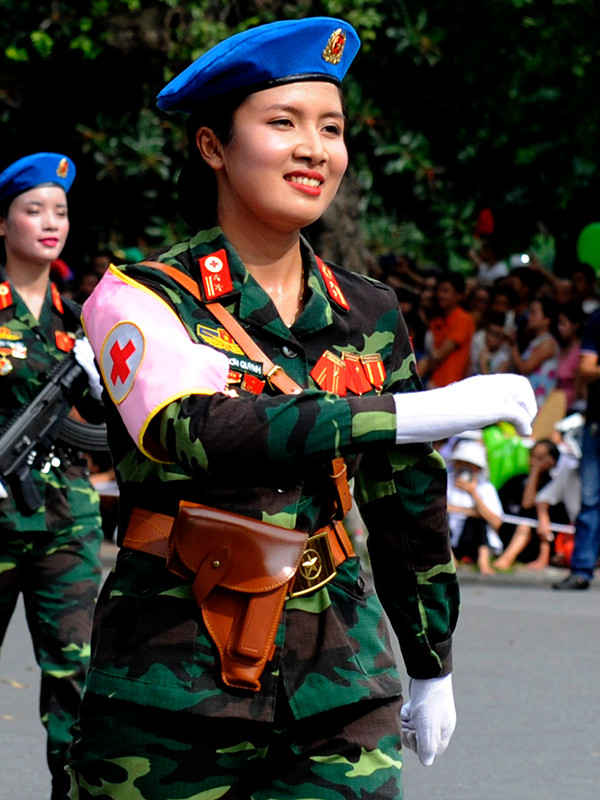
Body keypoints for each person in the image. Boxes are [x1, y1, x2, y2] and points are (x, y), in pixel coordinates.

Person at [67, 18, 536, 799]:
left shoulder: (369, 311)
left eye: (332, 129)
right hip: (170, 687)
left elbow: (404, 500)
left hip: (339, 678)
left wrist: (431, 663)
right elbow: (193, 429)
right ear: (213, 146)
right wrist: (410, 413)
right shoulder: (139, 298)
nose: (315, 149)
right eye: (283, 123)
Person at [0, 153, 105, 800]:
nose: (49, 223)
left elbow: (112, 427)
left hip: (67, 519)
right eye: (33, 209)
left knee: (77, 677)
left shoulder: (81, 321)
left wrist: (103, 383)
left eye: (59, 212)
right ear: (2, 222)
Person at [554, 308, 600, 590]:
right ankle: (582, 568)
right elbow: (586, 367)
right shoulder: (598, 319)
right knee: (590, 498)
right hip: (597, 422)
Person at [494, 439, 568, 570]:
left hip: (536, 541)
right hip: (506, 533)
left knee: (525, 525)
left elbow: (527, 503)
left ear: (552, 461)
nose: (534, 461)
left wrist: (535, 472)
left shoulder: (553, 487)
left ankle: (506, 560)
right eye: (532, 456)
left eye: (540, 458)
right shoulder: (515, 480)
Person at [446, 439, 503, 575]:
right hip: (449, 538)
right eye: (460, 462)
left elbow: (496, 522)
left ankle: (483, 562)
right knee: (439, 519)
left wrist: (473, 493)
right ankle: (449, 558)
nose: (462, 467)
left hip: (474, 540)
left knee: (478, 521)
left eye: (468, 464)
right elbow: (437, 508)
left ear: (477, 468)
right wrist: (471, 511)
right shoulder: (446, 481)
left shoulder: (486, 488)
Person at [417, 271, 475, 388]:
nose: (440, 295)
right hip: (431, 385)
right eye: (438, 290)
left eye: (445, 291)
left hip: (449, 387)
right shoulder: (435, 321)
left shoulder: (463, 319)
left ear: (458, 296)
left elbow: (438, 356)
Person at [508, 295, 559, 408]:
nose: (529, 317)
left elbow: (525, 368)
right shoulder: (536, 341)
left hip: (540, 400)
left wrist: (513, 345)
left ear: (546, 320)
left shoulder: (547, 343)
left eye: (533, 313)